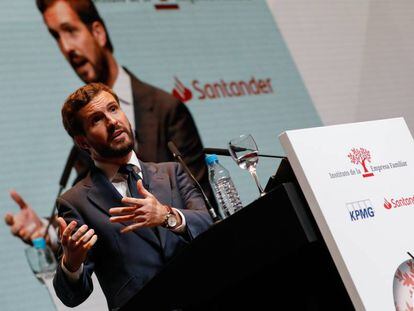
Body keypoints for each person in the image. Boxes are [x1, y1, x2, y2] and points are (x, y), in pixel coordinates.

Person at [5, 0, 214, 247]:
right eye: (56, 37)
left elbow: (202, 205)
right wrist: (49, 232)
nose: (66, 47)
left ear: (98, 32)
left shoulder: (166, 108)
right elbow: (91, 208)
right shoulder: (86, 135)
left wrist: (166, 215)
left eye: (70, 31)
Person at [53, 82, 212, 309]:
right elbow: (71, 297)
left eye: (113, 109)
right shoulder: (75, 202)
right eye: (96, 119)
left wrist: (168, 216)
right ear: (82, 141)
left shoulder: (172, 172)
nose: (112, 121)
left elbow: (210, 223)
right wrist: (71, 263)